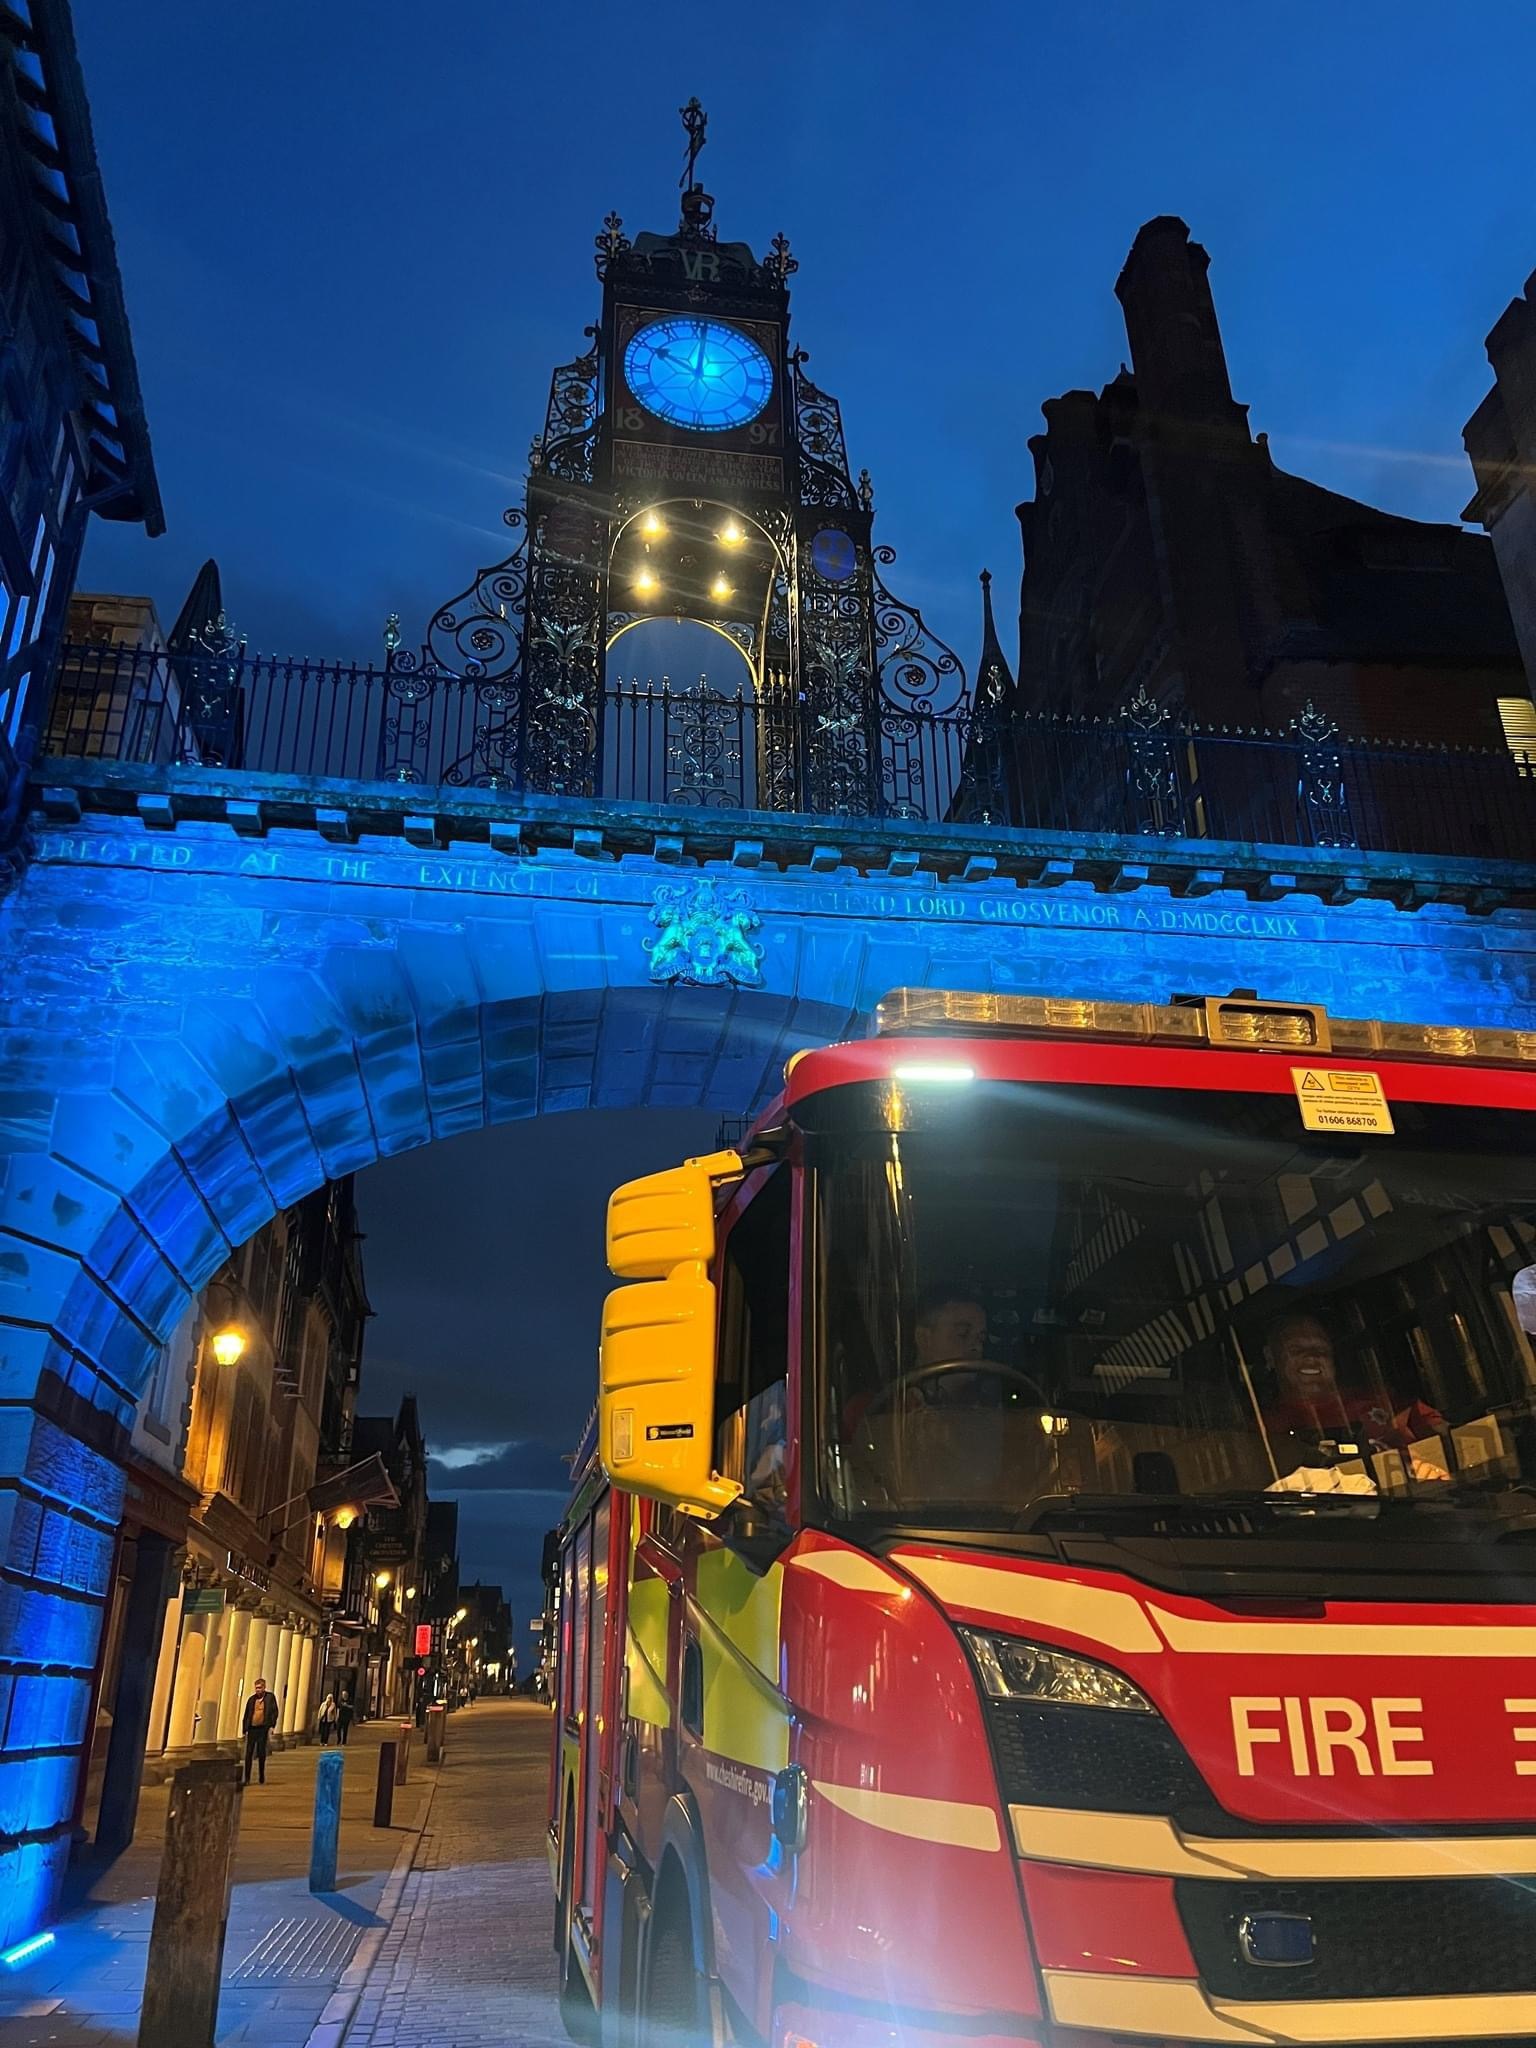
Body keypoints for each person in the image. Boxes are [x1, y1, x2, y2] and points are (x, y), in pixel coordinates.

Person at [1261, 1311, 1447, 1481]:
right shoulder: (1266, 1427)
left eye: (1321, 1350)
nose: (1311, 1357)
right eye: (1296, 1350)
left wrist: (1425, 1464)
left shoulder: (1381, 1402)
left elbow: (1446, 1437)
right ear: (1271, 1357)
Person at [242, 1677, 279, 1784]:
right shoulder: (251, 1700)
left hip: (262, 1728)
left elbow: (274, 1712)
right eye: (256, 1688)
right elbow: (247, 1715)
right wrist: (244, 1730)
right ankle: (247, 1778)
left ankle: (261, 1776)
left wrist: (272, 1726)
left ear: (264, 1687)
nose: (258, 1690)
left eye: (260, 1688)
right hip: (252, 1728)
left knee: (261, 1752)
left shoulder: (270, 1698)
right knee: (248, 1753)